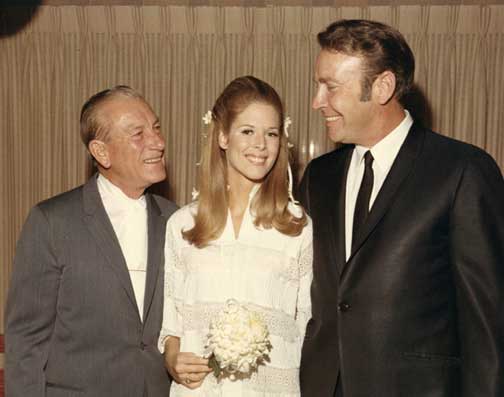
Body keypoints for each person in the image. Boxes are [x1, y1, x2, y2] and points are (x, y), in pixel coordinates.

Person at [299, 19, 504, 397]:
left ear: (383, 87)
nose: (317, 101)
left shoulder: (461, 171)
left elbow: (489, 326)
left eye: (330, 87)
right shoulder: (318, 177)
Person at [5, 86, 177, 397]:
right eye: (139, 134)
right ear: (101, 152)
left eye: (156, 127)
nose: (159, 142)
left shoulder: (177, 221)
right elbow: (26, 341)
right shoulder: (52, 222)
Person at [158, 75, 313, 396]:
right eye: (247, 131)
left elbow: (307, 327)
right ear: (223, 136)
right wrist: (173, 358)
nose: (261, 144)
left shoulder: (298, 227)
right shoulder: (181, 225)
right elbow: (171, 323)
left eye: (271, 133)